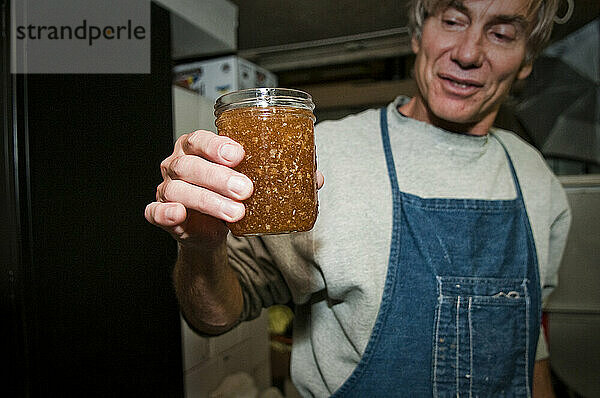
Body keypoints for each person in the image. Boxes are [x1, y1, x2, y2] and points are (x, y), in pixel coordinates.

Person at [145, 0, 571, 396]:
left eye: (502, 33)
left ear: (527, 61)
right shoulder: (315, 158)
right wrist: (201, 247)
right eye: (453, 20)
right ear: (418, 33)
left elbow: (531, 344)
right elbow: (214, 316)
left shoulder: (536, 178)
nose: (468, 52)